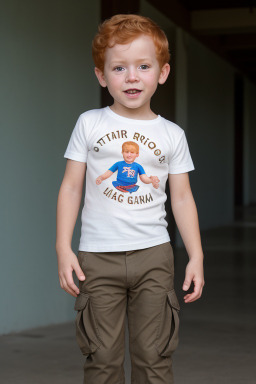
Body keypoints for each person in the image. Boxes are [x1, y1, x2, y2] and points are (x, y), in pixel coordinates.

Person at [56, 13, 205, 384]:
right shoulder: (89, 123)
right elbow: (72, 187)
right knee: (101, 360)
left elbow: (182, 198)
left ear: (163, 72)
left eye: (143, 66)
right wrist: (63, 246)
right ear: (102, 76)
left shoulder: (172, 134)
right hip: (97, 257)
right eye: (119, 68)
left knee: (154, 359)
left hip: (154, 255)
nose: (132, 76)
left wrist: (197, 255)